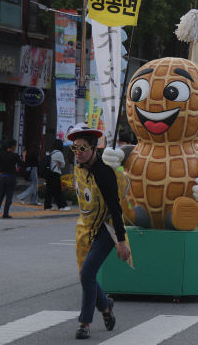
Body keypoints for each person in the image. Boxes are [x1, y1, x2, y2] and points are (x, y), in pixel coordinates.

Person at [68, 125, 130, 340]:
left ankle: (84, 323)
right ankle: (105, 305)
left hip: (107, 229)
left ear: (94, 148)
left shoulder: (104, 174)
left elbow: (115, 208)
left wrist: (121, 242)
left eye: (82, 148)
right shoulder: (78, 168)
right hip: (86, 228)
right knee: (86, 275)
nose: (78, 153)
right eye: (74, 148)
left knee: (87, 274)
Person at [0, 139, 24, 218]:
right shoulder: (14, 155)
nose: (16, 147)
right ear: (13, 146)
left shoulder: (1, 154)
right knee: (9, 196)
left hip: (3, 177)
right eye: (15, 145)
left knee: (0, 196)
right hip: (11, 177)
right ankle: (5, 213)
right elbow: (22, 164)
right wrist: (24, 156)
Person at [46, 139, 71, 211]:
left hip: (49, 173)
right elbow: (62, 165)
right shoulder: (59, 153)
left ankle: (47, 206)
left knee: (49, 191)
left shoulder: (52, 152)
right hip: (55, 173)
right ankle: (62, 206)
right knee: (58, 190)